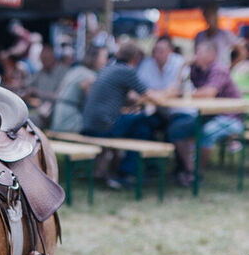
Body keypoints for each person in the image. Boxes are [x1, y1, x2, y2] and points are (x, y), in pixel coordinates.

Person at [81, 41, 167, 186]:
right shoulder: (126, 71)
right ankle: (128, 173)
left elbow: (123, 96)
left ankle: (128, 170)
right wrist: (171, 93)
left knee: (139, 123)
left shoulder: (108, 68)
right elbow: (150, 95)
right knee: (144, 124)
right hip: (103, 126)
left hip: (89, 124)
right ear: (135, 58)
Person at [167, 40, 243, 185]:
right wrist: (184, 66)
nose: (195, 55)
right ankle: (190, 170)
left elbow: (209, 92)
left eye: (199, 52)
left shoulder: (219, 69)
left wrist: (182, 93)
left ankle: (197, 174)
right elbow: (178, 87)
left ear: (211, 55)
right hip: (208, 115)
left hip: (230, 117)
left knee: (206, 132)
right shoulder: (196, 70)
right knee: (175, 130)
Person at [51, 44, 108, 133]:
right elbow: (92, 101)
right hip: (70, 117)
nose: (106, 61)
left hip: (59, 113)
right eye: (104, 57)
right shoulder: (90, 76)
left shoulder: (76, 69)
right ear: (95, 57)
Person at [26, 44, 68, 128]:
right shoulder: (41, 71)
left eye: (45, 59)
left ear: (53, 57)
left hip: (57, 111)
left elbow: (60, 96)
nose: (43, 62)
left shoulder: (63, 71)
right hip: (41, 109)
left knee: (32, 122)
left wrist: (37, 92)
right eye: (42, 60)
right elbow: (26, 85)